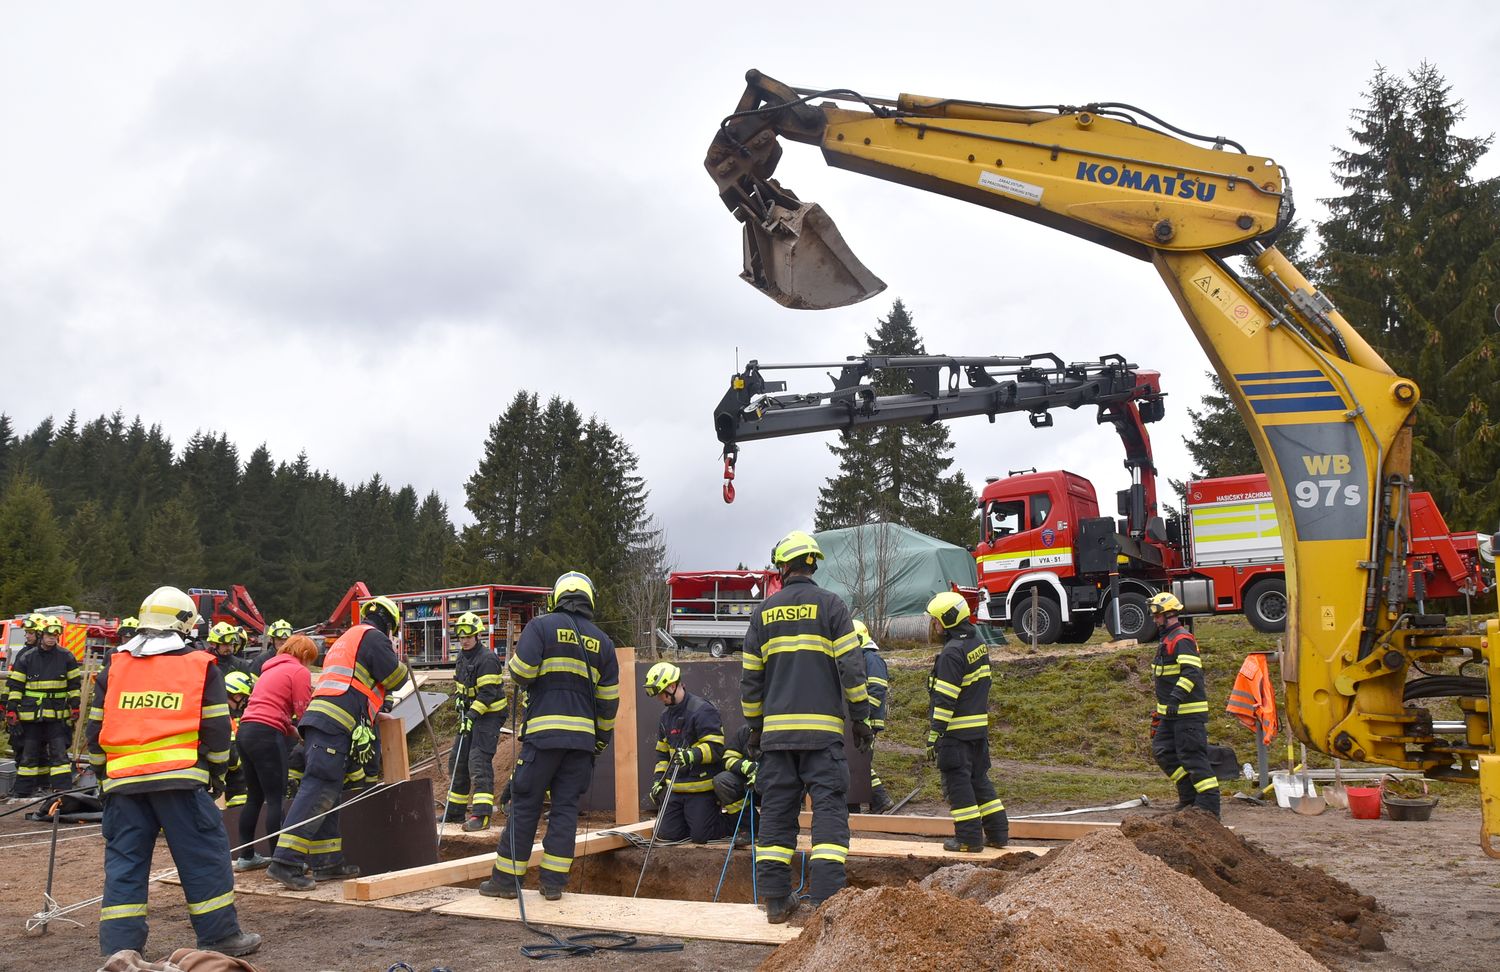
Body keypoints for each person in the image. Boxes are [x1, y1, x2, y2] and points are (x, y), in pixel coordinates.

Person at [86, 586, 261, 958]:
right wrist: (216, 774)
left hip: (122, 785)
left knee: (125, 865)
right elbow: (217, 730)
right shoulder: (199, 665)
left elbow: (95, 731)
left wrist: (104, 777)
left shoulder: (115, 666)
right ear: (185, 624)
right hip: (181, 781)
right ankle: (219, 937)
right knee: (203, 858)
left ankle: (120, 948)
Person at [742, 530, 872, 924]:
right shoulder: (832, 606)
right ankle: (826, 903)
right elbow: (852, 667)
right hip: (822, 736)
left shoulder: (763, 613)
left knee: (777, 814)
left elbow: (751, 680)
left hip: (777, 739)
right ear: (812, 564)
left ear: (782, 567)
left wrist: (754, 727)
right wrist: (861, 717)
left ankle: (776, 902)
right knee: (829, 810)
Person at [480, 571, 619, 902]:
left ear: (558, 597)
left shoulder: (540, 626)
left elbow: (522, 672)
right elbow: (609, 701)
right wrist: (599, 741)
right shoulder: (604, 642)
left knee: (526, 804)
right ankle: (554, 884)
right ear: (589, 599)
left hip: (543, 738)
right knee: (565, 809)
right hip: (582, 743)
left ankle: (506, 882)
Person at [267, 596, 410, 891]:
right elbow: (396, 678)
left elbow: (355, 682)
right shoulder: (373, 637)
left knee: (330, 790)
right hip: (334, 723)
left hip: (326, 722)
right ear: (389, 623)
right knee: (319, 787)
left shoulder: (348, 638)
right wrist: (402, 663)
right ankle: (285, 861)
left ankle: (327, 861)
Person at [925, 592, 1009, 852]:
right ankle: (997, 834)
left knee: (958, 785)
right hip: (978, 730)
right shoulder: (976, 642)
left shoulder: (952, 653)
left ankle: (968, 839)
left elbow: (945, 699)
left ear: (948, 619)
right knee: (979, 781)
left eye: (936, 619)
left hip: (956, 733)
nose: (934, 624)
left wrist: (935, 734)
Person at [234, 633, 316, 871]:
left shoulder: (269, 670)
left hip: (246, 731)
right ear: (304, 654)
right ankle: (281, 862)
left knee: (254, 797)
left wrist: (292, 731)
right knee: (275, 798)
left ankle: (246, 856)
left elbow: (269, 707)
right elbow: (303, 709)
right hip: (267, 736)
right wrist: (310, 734)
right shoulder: (299, 671)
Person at [1148, 592, 1219, 817]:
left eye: (1157, 615)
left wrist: (1176, 698)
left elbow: (1191, 673)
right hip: (1170, 715)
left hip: (1187, 714)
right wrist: (1162, 710)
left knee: (1193, 758)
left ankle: (1208, 809)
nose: (1155, 620)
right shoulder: (1167, 639)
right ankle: (1189, 798)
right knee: (1163, 751)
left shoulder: (1182, 639)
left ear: (1169, 614)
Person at [644, 661, 728, 844]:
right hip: (676, 789)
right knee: (666, 834)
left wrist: (692, 755)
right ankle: (691, 821)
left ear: (672, 687)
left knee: (700, 836)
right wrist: (658, 781)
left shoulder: (703, 710)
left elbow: (716, 748)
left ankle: (732, 821)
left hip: (701, 789)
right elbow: (662, 754)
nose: (659, 699)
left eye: (661, 693)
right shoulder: (665, 717)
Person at [443, 611, 508, 832]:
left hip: (489, 716)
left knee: (478, 761)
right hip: (471, 714)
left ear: (477, 635)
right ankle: (455, 811)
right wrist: (459, 700)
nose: (464, 640)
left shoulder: (487, 659)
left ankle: (482, 815)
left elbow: (488, 694)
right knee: (458, 759)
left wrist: (471, 715)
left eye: (468, 636)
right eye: (461, 637)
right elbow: (461, 685)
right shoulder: (462, 657)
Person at [6, 615, 82, 796]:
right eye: (49, 635)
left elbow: (74, 685)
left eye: (55, 635)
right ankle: (23, 792)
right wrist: (11, 709)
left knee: (59, 755)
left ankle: (62, 792)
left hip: (56, 716)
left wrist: (75, 706)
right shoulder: (27, 657)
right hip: (32, 715)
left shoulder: (66, 657)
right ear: (41, 635)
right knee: (29, 754)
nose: (52, 638)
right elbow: (16, 686)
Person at [851, 619, 893, 815]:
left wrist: (863, 714)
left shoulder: (871, 659)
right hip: (861, 720)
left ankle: (880, 799)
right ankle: (871, 802)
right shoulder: (862, 659)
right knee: (859, 760)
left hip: (868, 721)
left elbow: (876, 690)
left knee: (860, 761)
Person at [3, 613, 47, 771]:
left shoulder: (50, 656)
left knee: (42, 752)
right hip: (22, 709)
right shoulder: (23, 653)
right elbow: (13, 682)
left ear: (40, 634)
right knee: (20, 748)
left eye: (30, 633)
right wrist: (5, 703)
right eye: (26, 632)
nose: (27, 636)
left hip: (43, 713)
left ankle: (40, 782)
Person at [221, 672, 255, 810]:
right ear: (236, 696)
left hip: (234, 789)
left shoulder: (228, 714)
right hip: (238, 792)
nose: (244, 703)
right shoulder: (224, 718)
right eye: (244, 698)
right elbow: (233, 759)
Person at [714, 723, 757, 822]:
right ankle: (748, 825)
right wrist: (744, 766)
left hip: (774, 785)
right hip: (747, 785)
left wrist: (761, 772)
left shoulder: (780, 732)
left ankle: (776, 827)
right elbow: (728, 758)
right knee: (722, 781)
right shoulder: (745, 731)